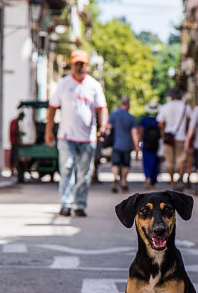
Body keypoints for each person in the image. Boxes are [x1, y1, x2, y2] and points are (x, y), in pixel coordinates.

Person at [45, 50, 107, 217]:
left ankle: (80, 204)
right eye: (77, 64)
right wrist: (48, 131)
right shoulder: (64, 84)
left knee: (84, 174)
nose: (80, 67)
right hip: (66, 137)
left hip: (87, 138)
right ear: (71, 65)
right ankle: (66, 204)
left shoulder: (94, 86)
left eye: (82, 64)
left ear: (87, 65)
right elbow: (52, 109)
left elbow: (102, 108)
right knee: (66, 170)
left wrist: (103, 126)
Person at [157, 86, 191, 190]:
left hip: (168, 138)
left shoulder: (165, 107)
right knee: (181, 160)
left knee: (169, 161)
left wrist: (163, 133)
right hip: (181, 137)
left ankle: (172, 184)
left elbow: (160, 122)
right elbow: (190, 120)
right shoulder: (186, 107)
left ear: (170, 96)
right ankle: (180, 180)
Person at [107, 96, 140, 193]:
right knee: (126, 164)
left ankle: (114, 178)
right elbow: (134, 133)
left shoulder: (114, 114)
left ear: (120, 104)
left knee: (115, 163)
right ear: (128, 105)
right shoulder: (131, 118)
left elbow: (109, 127)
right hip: (127, 145)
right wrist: (137, 147)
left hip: (116, 144)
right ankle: (124, 183)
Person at [138, 100, 162, 189]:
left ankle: (147, 178)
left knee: (146, 163)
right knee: (155, 163)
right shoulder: (158, 120)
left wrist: (138, 144)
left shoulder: (144, 120)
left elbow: (140, 133)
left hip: (146, 145)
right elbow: (161, 133)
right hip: (156, 145)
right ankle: (152, 182)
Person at [9, 111, 25, 175]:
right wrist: (19, 133)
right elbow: (13, 131)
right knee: (14, 156)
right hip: (14, 141)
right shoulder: (14, 122)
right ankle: (12, 169)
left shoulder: (16, 122)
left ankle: (14, 169)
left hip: (16, 142)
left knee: (15, 156)